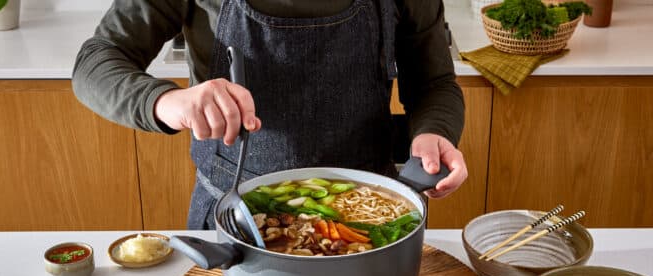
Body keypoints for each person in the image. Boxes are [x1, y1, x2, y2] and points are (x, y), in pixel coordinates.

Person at [72, 0, 468, 230]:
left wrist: (434, 131)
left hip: (372, 213)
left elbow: (434, 82)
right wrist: (167, 102)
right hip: (234, 216)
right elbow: (96, 62)